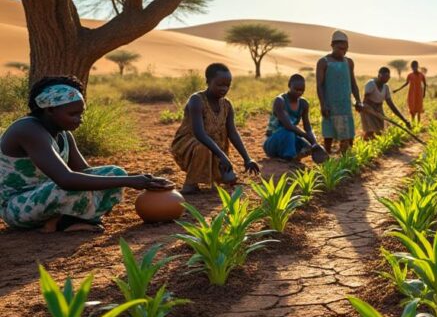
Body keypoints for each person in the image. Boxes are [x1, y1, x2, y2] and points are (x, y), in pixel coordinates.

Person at [0, 76, 173, 232]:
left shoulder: (64, 135)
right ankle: (62, 223)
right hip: (17, 208)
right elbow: (66, 180)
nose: (79, 119)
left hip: (49, 195)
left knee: (115, 172)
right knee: (72, 185)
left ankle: (60, 221)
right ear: (50, 110)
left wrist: (139, 178)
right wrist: (130, 181)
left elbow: (85, 172)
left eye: (81, 113)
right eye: (72, 114)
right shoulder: (28, 129)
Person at [171, 63, 260, 193]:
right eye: (219, 85)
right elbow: (199, 134)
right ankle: (190, 183)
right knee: (203, 147)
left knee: (230, 179)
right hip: (190, 145)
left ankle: (217, 172)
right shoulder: (196, 100)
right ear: (207, 81)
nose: (224, 88)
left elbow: (233, 133)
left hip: (216, 148)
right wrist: (222, 156)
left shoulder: (227, 105)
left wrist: (247, 158)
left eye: (227, 85)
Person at [316, 30, 363, 154]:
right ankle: (326, 158)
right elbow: (319, 85)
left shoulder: (349, 62)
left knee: (348, 134)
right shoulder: (323, 62)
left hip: (345, 105)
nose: (343, 51)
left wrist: (358, 100)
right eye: (340, 48)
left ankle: (346, 159)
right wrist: (323, 104)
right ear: (332, 45)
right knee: (328, 133)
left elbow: (353, 83)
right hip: (330, 104)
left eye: (345, 49)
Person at [263, 74, 321, 161]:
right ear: (289, 85)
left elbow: (307, 127)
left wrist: (314, 143)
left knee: (309, 146)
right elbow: (288, 126)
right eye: (296, 89)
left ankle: (293, 155)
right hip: (273, 140)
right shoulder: (280, 101)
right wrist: (306, 137)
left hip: (291, 137)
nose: (299, 92)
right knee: (289, 132)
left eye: (302, 90)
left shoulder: (303, 103)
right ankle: (290, 157)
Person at [360, 67, 412, 139]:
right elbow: (365, 100)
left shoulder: (386, 87)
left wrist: (404, 120)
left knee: (379, 132)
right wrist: (371, 109)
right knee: (370, 131)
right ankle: (366, 145)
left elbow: (391, 104)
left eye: (388, 77)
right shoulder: (371, 84)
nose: (387, 78)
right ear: (379, 75)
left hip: (379, 109)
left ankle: (375, 147)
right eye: (385, 76)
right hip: (368, 110)